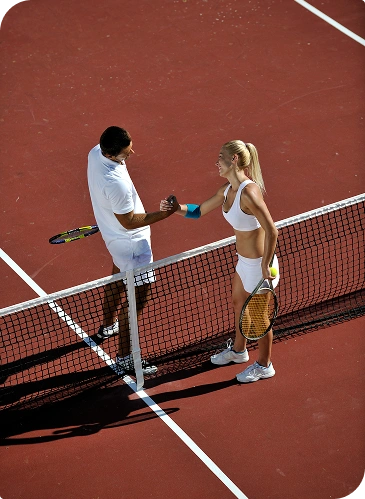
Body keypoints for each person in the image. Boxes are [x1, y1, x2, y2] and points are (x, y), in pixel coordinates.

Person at [161, 140, 279, 383]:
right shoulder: (227, 191)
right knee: (238, 303)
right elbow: (199, 211)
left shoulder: (249, 192)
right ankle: (238, 351)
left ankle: (265, 365)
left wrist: (265, 265)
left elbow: (272, 230)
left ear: (234, 159)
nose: (216, 161)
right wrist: (176, 208)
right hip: (243, 261)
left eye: (220, 157)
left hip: (260, 266)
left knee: (258, 318)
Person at [87, 126, 179, 375]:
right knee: (136, 302)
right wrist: (164, 214)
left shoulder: (95, 153)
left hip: (114, 239)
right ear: (111, 155)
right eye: (126, 154)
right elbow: (129, 221)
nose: (131, 154)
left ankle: (107, 327)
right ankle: (125, 357)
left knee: (117, 280)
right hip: (132, 245)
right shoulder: (116, 184)